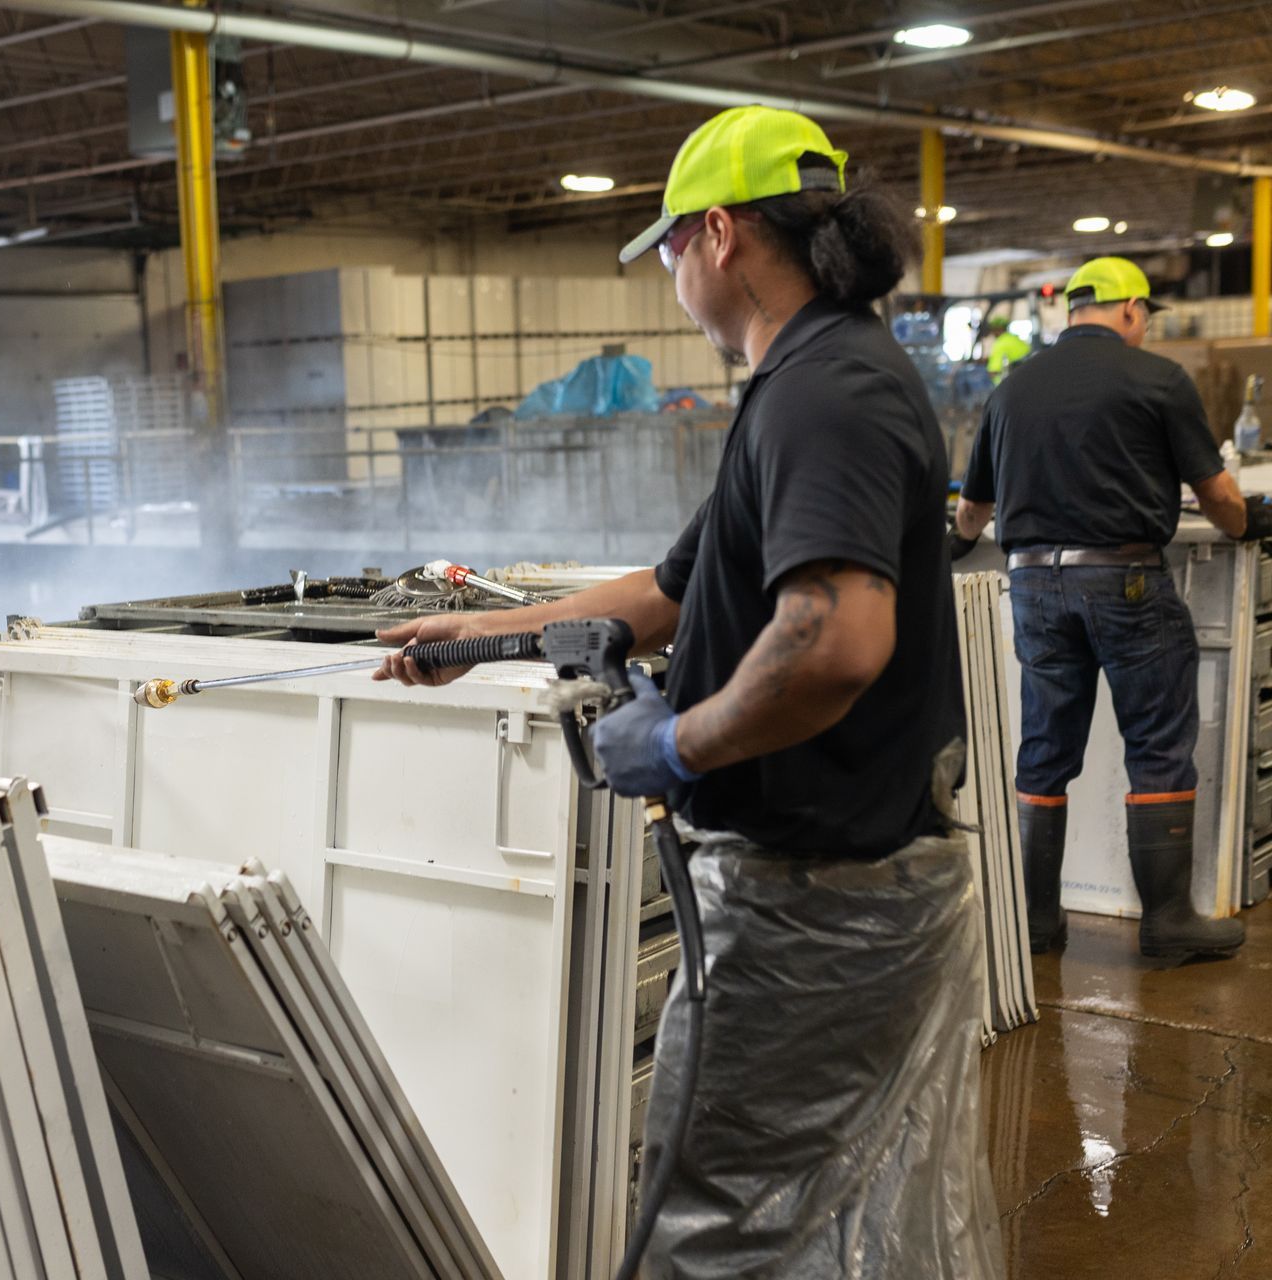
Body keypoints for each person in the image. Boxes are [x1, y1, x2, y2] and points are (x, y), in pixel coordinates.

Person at [379, 106, 1001, 1279]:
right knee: (846, 1211)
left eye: (666, 245)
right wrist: (483, 631)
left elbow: (833, 642)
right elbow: (669, 593)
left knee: (715, 1219)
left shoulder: (825, 395)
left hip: (812, 903)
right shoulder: (811, 380)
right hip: (843, 885)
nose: (665, 270)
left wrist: (678, 743)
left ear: (719, 234)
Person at [951, 256, 1272, 961]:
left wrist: (956, 543)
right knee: (1157, 745)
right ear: (1130, 310)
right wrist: (1250, 524)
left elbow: (972, 511)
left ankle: (1036, 924)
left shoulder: (1011, 390)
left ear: (1074, 311)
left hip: (1032, 587)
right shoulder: (1157, 378)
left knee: (1043, 752)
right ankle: (1166, 926)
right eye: (1145, 314)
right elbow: (1218, 494)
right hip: (1124, 583)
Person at [981, 313, 1031, 383]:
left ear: (998, 329)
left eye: (993, 329)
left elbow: (994, 370)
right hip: (1021, 379)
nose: (992, 332)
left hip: (1003, 384)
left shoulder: (1000, 343)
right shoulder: (1015, 339)